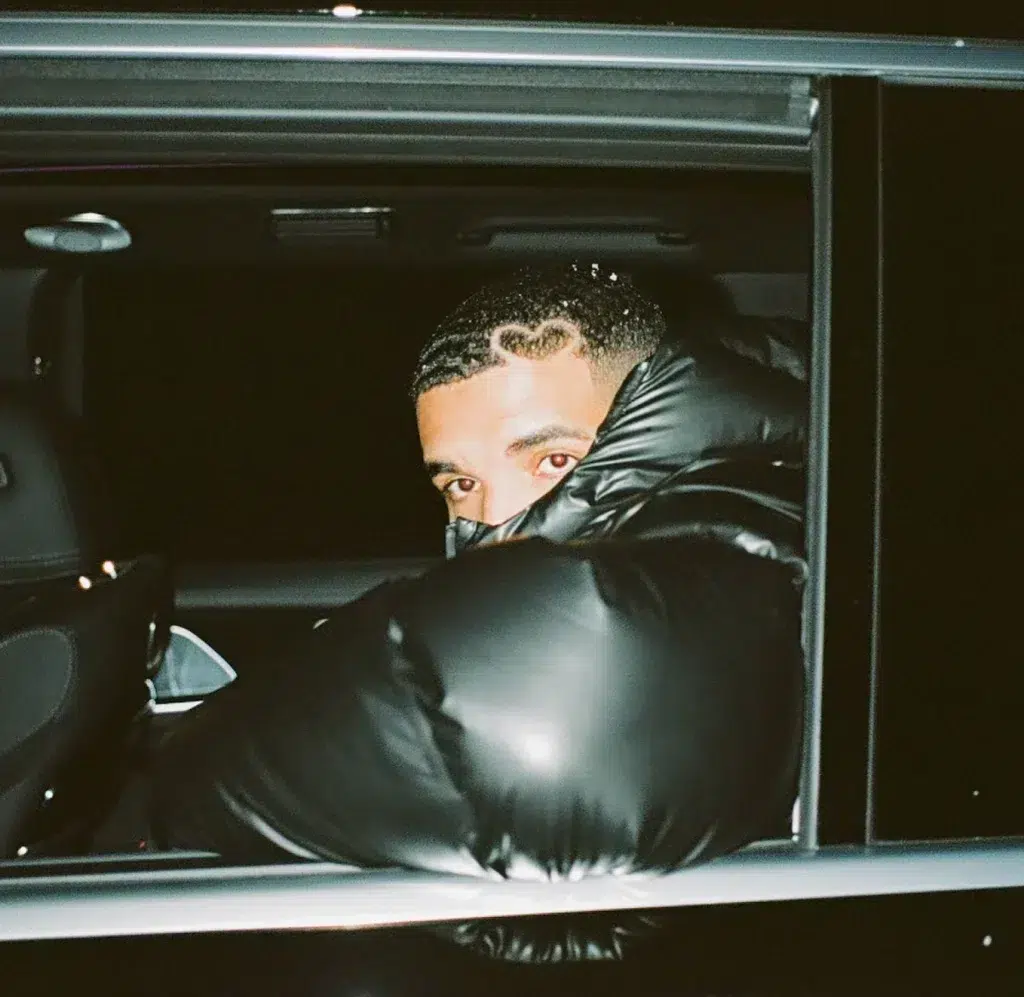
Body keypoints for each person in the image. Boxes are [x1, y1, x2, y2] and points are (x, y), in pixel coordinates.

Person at [101, 262, 808, 962]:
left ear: (645, 410)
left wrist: (160, 784)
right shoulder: (700, 494)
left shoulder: (736, 510)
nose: (495, 518)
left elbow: (534, 728)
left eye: (551, 460)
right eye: (462, 483)